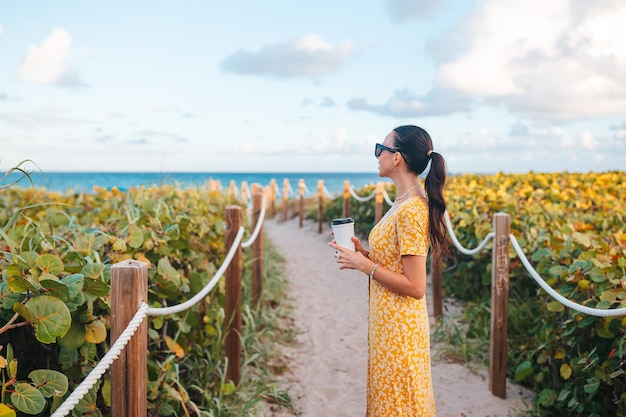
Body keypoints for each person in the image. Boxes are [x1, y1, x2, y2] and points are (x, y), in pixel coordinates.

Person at [328, 125, 448, 416]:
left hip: (400, 330)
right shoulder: (402, 203)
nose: (377, 155)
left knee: (399, 405)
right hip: (388, 324)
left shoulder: (411, 210)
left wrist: (365, 266)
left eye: (380, 149)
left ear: (397, 158)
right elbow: (395, 263)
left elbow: (416, 286)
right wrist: (364, 255)